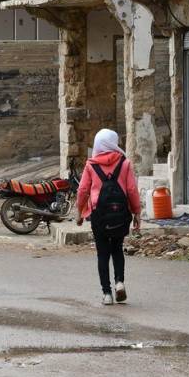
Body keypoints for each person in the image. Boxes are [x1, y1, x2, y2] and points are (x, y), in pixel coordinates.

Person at [76, 129, 141, 306]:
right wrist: (137, 213)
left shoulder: (91, 165)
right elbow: (132, 190)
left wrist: (80, 212)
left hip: (99, 215)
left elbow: (82, 191)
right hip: (120, 214)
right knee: (117, 248)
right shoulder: (125, 163)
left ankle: (106, 294)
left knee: (102, 253)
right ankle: (119, 282)